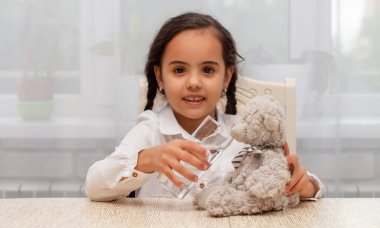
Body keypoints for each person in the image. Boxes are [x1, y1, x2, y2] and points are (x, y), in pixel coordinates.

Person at [85, 12, 324, 204]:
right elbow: (94, 185)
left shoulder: (246, 135)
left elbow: (310, 187)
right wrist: (147, 159)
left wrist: (304, 186)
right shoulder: (151, 129)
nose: (194, 82)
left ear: (227, 77)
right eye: (179, 70)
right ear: (159, 76)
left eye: (208, 70)